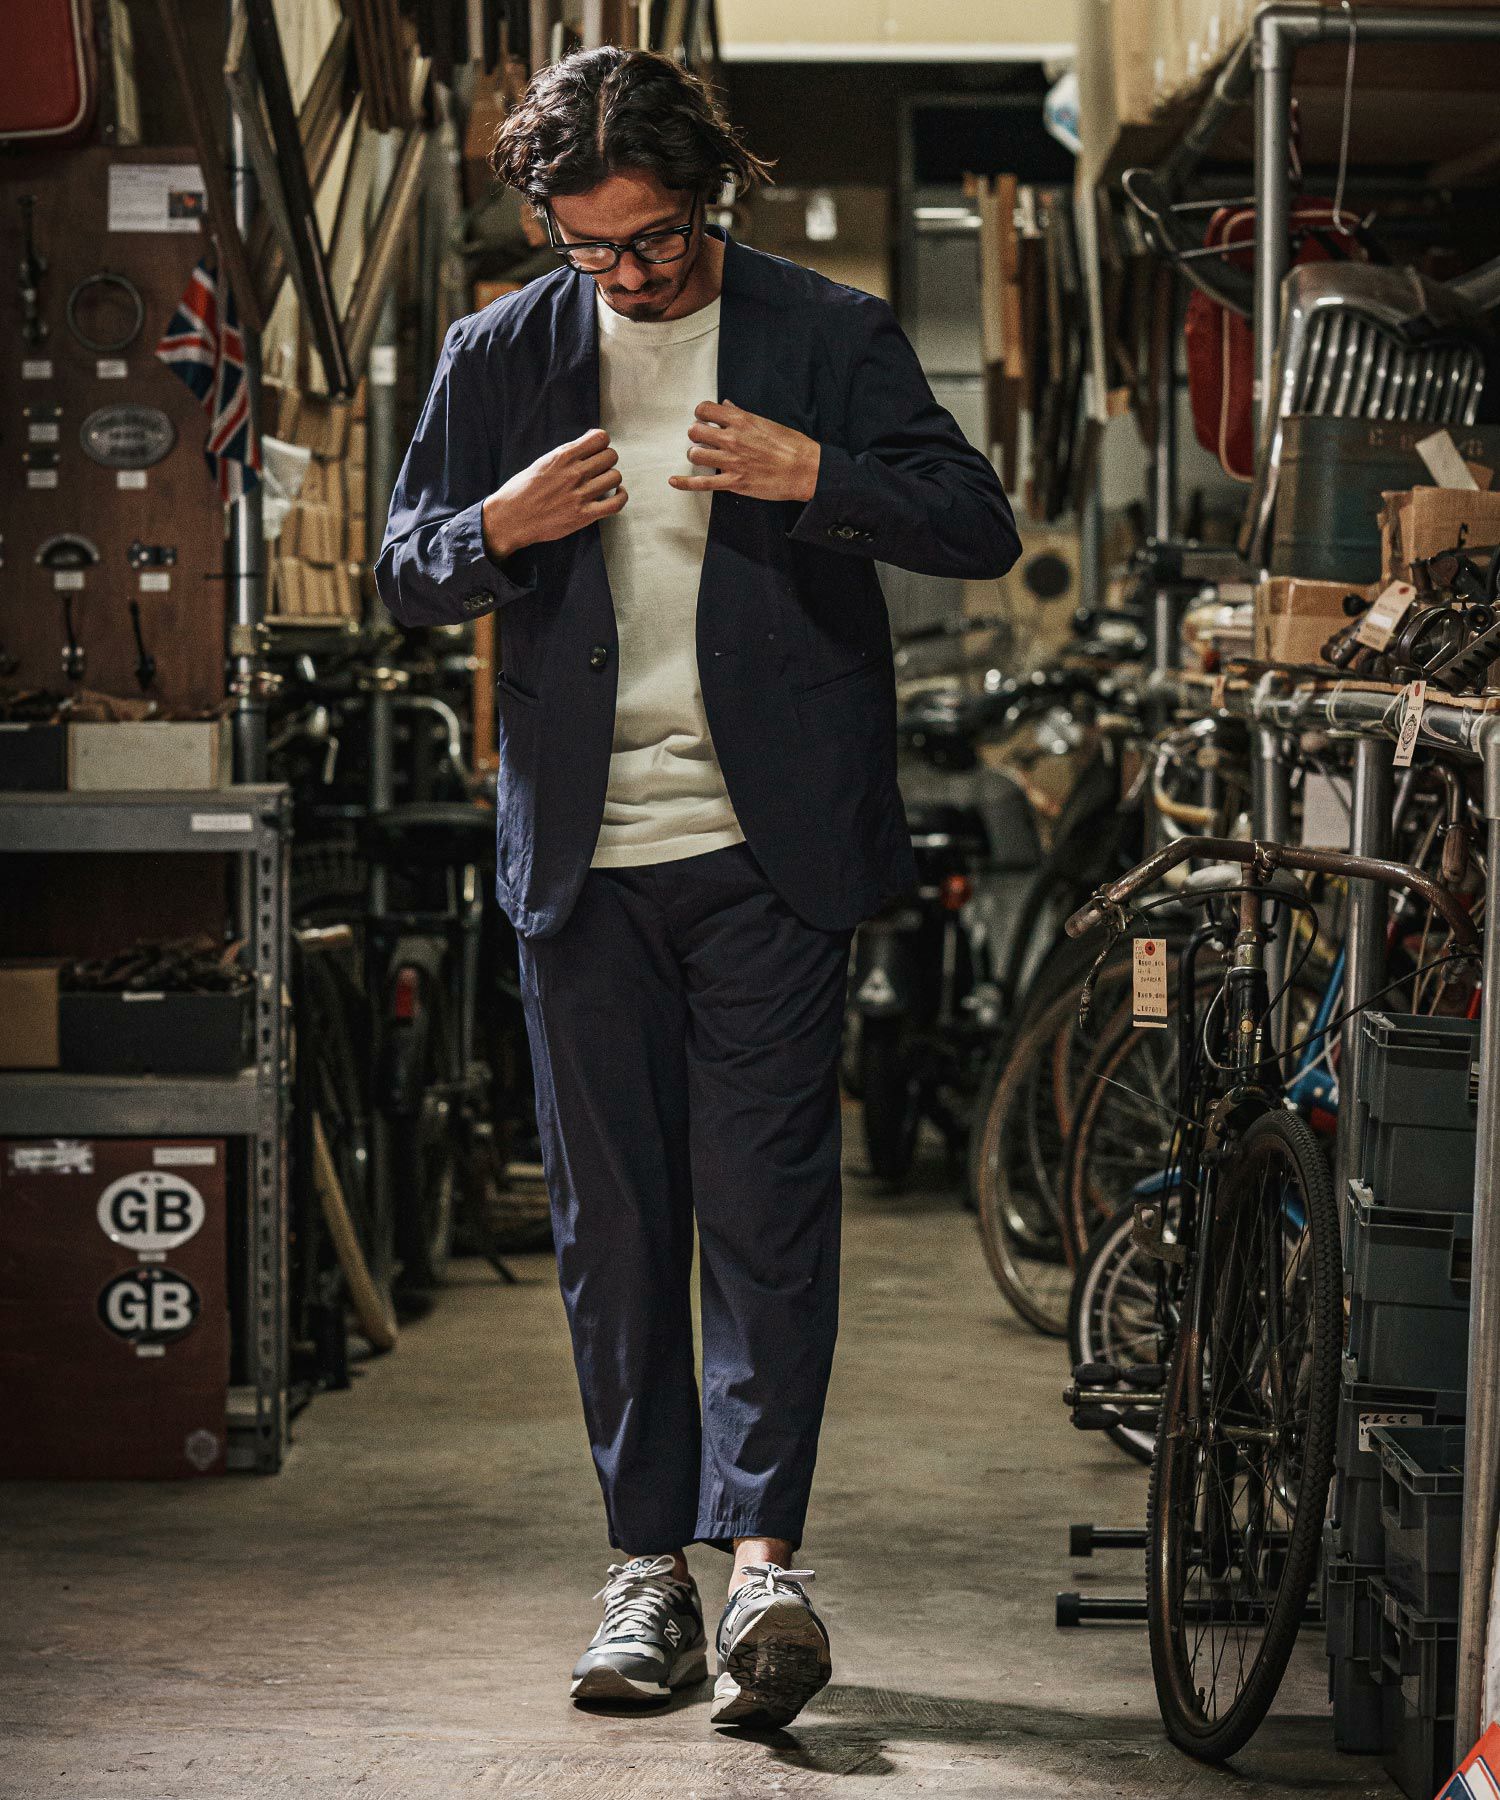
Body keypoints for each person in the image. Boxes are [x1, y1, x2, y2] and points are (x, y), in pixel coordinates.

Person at [377, 45, 1019, 1731]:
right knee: (614, 1231)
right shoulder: (500, 352)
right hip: (582, 862)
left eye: (653, 238)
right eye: (589, 243)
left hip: (766, 851)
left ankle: (764, 1572)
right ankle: (644, 1571)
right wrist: (498, 525)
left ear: (706, 197)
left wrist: (823, 480)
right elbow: (404, 569)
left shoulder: (825, 331)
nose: (627, 272)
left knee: (766, 1212)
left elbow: (979, 523)